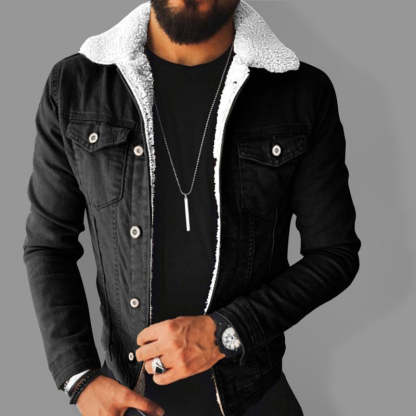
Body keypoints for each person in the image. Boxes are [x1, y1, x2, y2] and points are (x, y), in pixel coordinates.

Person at [22, 0, 361, 415]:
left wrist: (225, 333)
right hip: (128, 399)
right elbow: (48, 245)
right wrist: (80, 378)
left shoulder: (301, 92)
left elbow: (334, 253)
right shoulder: (76, 86)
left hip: (255, 397)